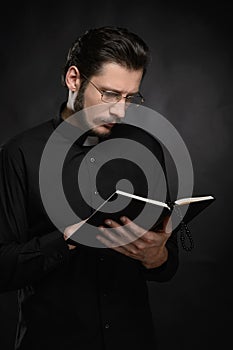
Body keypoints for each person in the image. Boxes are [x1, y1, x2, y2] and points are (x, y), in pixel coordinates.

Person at [0, 26, 179, 350]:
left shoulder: (146, 147)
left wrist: (159, 255)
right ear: (73, 79)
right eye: (110, 94)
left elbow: (169, 261)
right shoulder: (20, 154)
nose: (120, 110)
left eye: (130, 98)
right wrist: (64, 241)